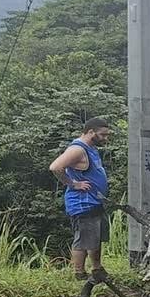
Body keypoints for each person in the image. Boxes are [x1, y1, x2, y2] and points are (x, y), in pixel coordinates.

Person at [49, 117, 113, 280]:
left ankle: (97, 269)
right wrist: (73, 184)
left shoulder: (91, 148)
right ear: (91, 132)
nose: (105, 138)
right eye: (103, 135)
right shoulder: (77, 149)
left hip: (95, 201)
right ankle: (79, 273)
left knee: (95, 237)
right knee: (83, 239)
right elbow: (55, 167)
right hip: (82, 203)